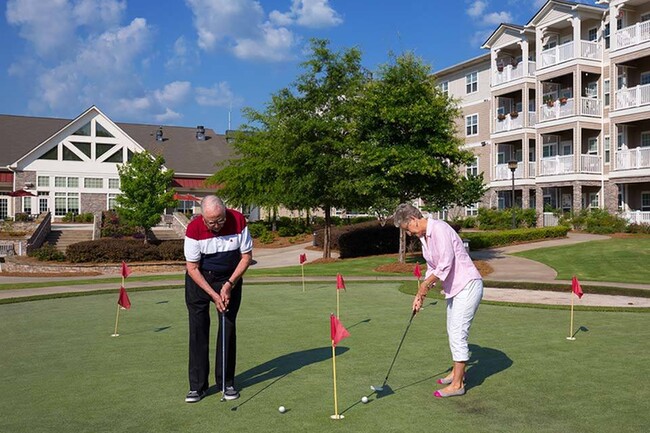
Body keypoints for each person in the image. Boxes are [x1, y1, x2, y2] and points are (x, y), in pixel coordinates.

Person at [393, 203, 483, 398]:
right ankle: (456, 372)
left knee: (458, 333)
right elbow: (433, 268)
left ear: (413, 220)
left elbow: (445, 264)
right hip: (455, 289)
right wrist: (420, 295)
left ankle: (458, 384)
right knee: (453, 331)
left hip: (467, 285)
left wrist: (424, 286)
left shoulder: (440, 229)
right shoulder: (425, 238)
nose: (408, 234)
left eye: (407, 229)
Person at [183, 195, 253, 403]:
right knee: (198, 330)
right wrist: (213, 294)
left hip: (229, 278)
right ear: (202, 217)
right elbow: (192, 268)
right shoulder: (194, 229)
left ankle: (226, 383)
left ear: (226, 211)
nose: (217, 225)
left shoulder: (239, 221)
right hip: (200, 280)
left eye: (220, 219)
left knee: (227, 328)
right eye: (211, 221)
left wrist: (229, 284)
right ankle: (197, 387)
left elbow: (246, 257)